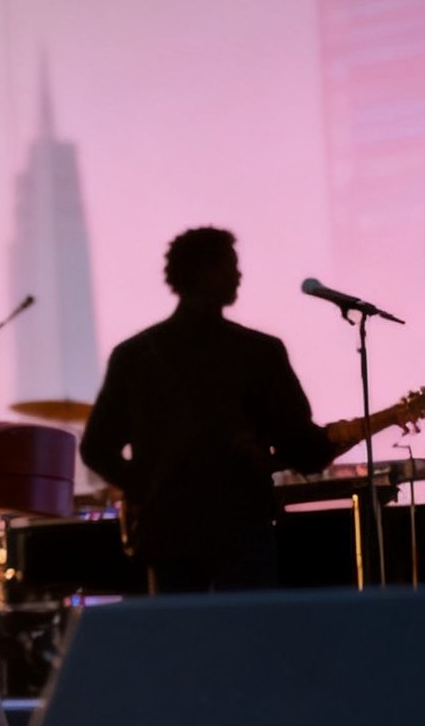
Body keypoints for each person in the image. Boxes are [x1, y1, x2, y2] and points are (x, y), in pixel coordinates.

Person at [82, 228, 353, 591]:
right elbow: (305, 449)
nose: (238, 275)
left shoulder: (134, 355)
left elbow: (96, 447)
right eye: (231, 266)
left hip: (167, 535)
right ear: (206, 270)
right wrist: (295, 451)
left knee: (182, 642)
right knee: (248, 639)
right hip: (240, 531)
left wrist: (148, 485)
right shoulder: (258, 352)